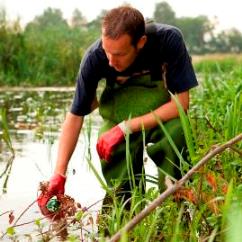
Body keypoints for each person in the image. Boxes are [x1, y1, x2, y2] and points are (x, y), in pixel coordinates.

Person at [37, 5, 198, 214]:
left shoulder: (167, 40)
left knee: (178, 132)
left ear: (140, 43)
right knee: (110, 148)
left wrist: (125, 127)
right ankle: (125, 212)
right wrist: (59, 173)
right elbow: (75, 116)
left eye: (120, 54)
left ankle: (175, 206)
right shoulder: (94, 58)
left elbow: (181, 104)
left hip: (161, 116)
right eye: (107, 51)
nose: (111, 62)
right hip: (117, 117)